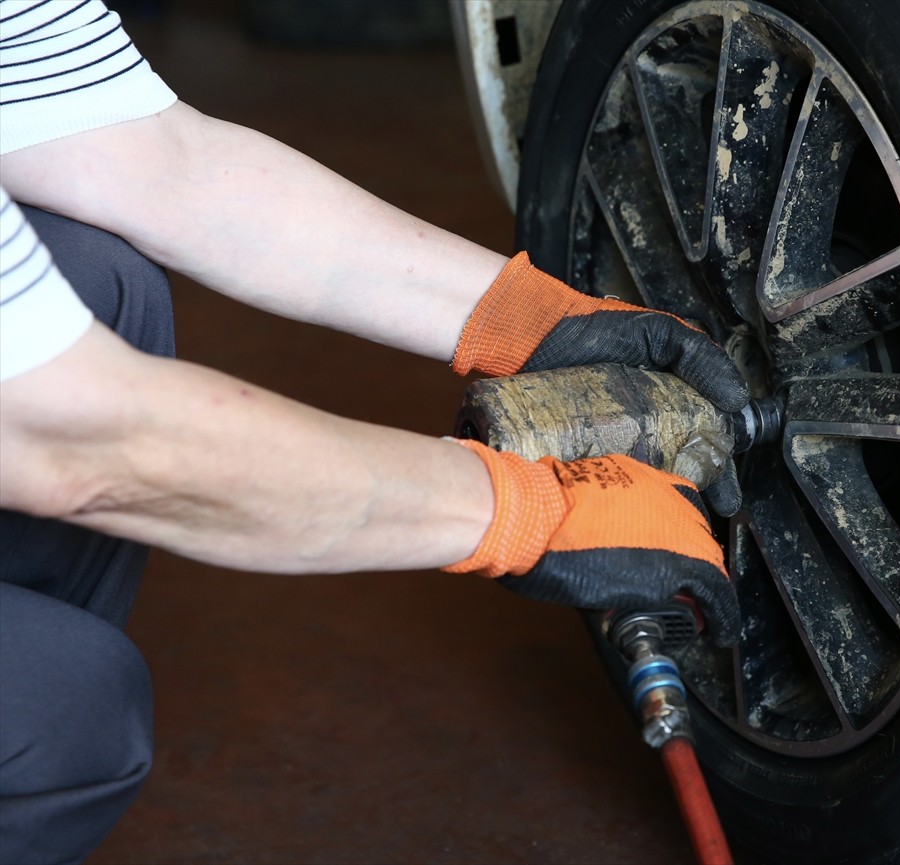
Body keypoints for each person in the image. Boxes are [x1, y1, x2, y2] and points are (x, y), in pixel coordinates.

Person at [0, 2, 747, 862]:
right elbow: (84, 438)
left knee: (98, 279)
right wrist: (517, 511)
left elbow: (153, 157)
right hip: (56, 432)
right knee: (61, 718)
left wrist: (528, 320)